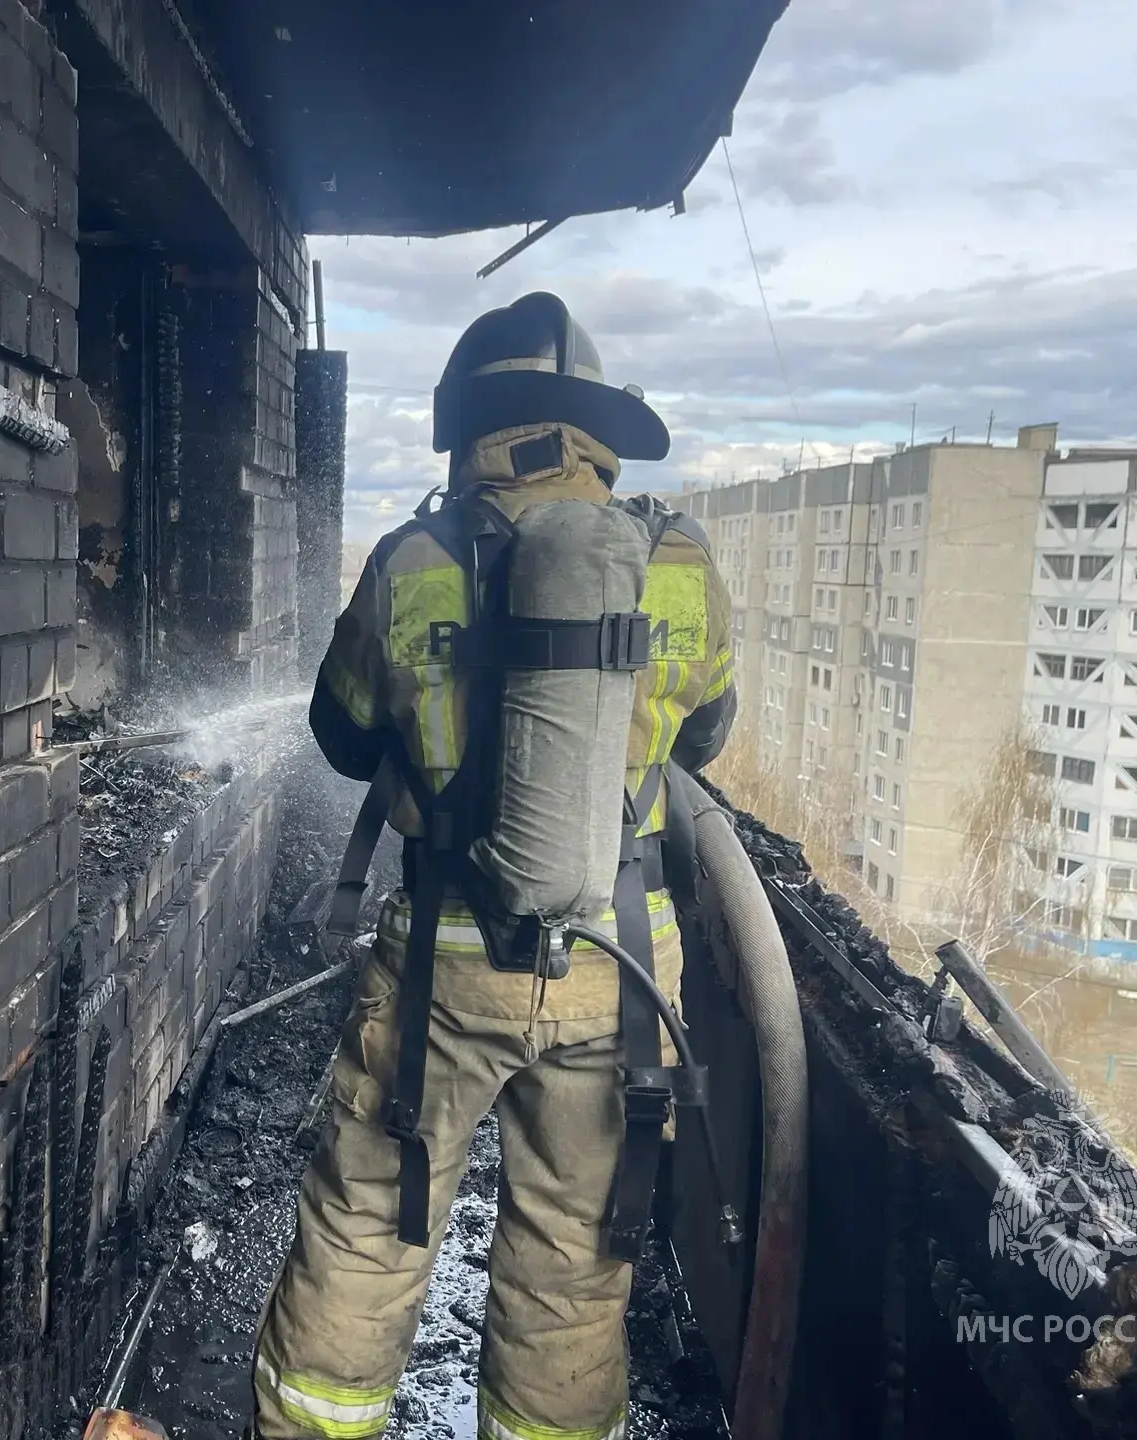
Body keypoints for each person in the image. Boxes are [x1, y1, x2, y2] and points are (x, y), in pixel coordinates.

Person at [250, 293, 737, 1440]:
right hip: (617, 976)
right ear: (596, 432)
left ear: (469, 425)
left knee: (370, 1225)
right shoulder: (677, 562)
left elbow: (340, 734)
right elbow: (706, 738)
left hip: (443, 970)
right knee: (574, 1266)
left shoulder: (414, 559)